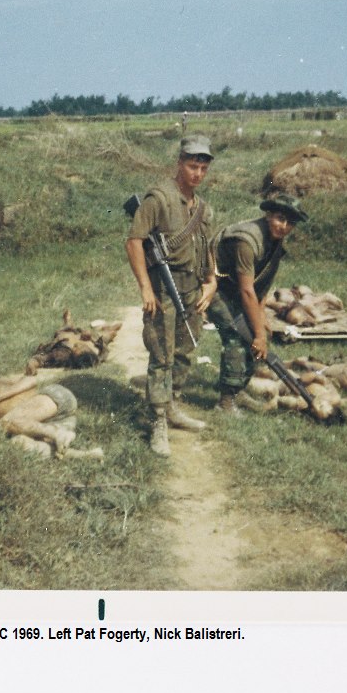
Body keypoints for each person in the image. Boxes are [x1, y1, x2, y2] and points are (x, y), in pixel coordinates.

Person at [126, 135, 217, 456]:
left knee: (186, 349)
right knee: (162, 355)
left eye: (203, 168)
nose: (198, 174)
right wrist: (145, 288)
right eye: (193, 166)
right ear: (179, 164)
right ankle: (158, 420)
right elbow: (134, 241)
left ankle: (174, 404)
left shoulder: (202, 208)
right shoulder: (159, 199)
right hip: (164, 289)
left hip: (192, 288)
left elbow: (208, 249)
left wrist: (211, 282)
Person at [206, 193, 309, 414]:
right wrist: (258, 336)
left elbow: (260, 289)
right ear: (269, 214)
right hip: (210, 284)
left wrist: (261, 325)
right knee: (237, 334)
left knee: (258, 335)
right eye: (280, 218)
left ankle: (237, 389)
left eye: (290, 223)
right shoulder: (247, 241)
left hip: (233, 289)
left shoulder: (274, 244)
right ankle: (225, 402)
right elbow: (246, 290)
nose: (284, 226)